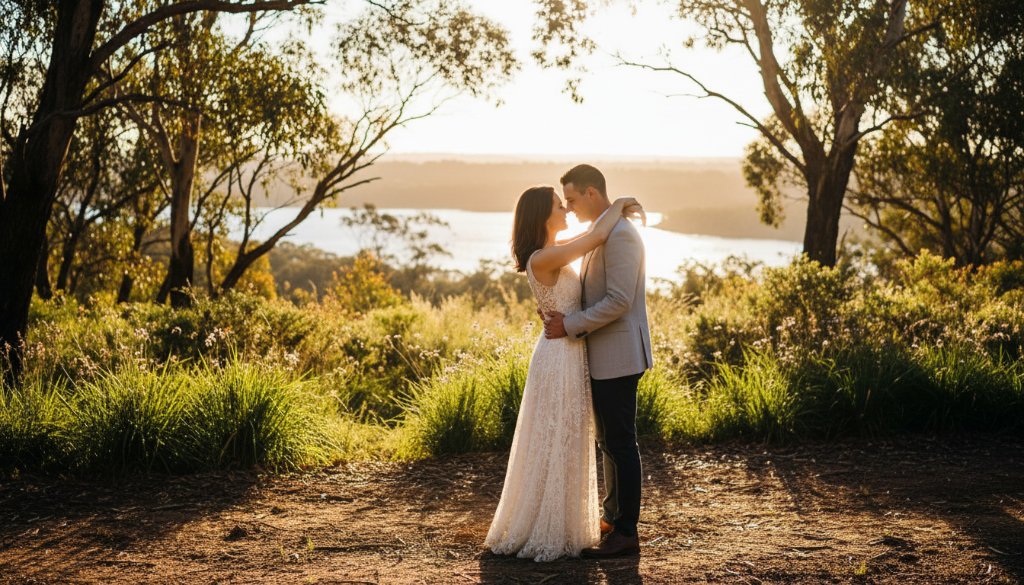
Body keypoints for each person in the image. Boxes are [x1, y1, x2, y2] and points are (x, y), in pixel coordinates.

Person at [484, 183, 644, 561]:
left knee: (571, 439)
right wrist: (620, 203)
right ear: (543, 215)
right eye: (560, 205)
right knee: (557, 439)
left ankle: (574, 519)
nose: (566, 210)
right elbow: (597, 235)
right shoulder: (543, 257)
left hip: (571, 351)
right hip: (558, 357)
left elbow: (590, 236)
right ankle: (547, 522)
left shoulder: (554, 249)